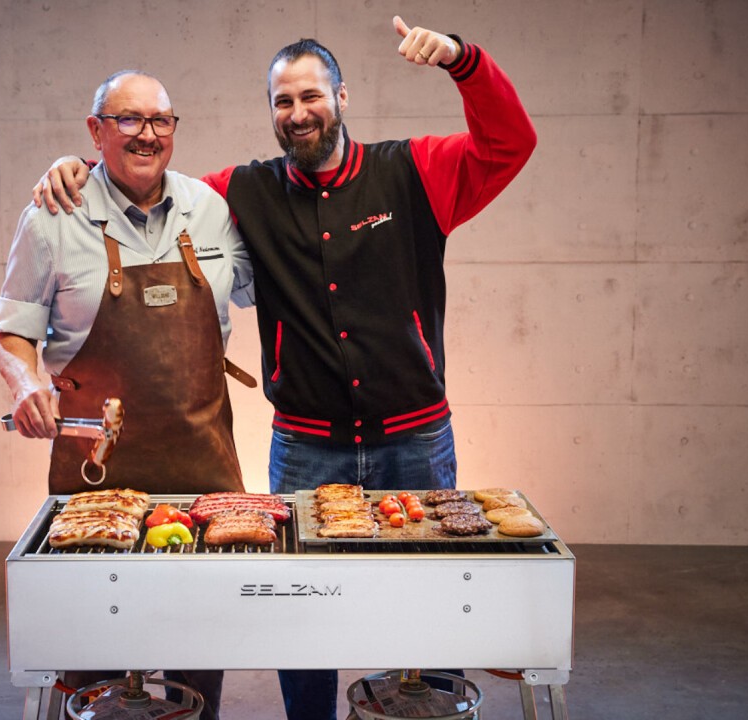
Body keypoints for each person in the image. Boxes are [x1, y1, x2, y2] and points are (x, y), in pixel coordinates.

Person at [33, 17, 537, 720]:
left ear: (341, 97)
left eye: (311, 96)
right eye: (282, 101)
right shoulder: (240, 193)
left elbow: (511, 143)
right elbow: (145, 177)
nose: (298, 113)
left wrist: (463, 60)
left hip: (415, 440)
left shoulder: (413, 170)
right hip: (305, 446)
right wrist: (80, 168)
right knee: (300, 618)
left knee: (430, 613)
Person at [0, 70, 254, 720]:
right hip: (94, 482)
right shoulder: (53, 216)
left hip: (205, 476)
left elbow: (279, 281)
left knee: (199, 652)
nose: (147, 134)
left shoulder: (212, 210)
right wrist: (26, 386)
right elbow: (11, 329)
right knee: (93, 652)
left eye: (160, 120)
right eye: (128, 120)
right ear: (96, 132)